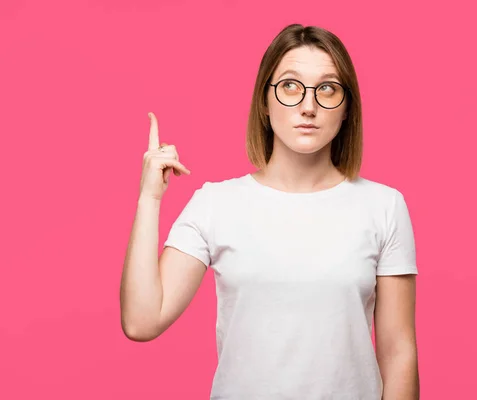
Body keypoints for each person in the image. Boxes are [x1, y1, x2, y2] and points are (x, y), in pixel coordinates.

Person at [120, 24, 420, 400]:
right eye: (290, 86)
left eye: (327, 88)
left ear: (347, 109)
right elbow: (141, 320)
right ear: (265, 101)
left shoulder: (383, 206)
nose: (308, 106)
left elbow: (398, 353)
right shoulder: (217, 204)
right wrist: (150, 200)